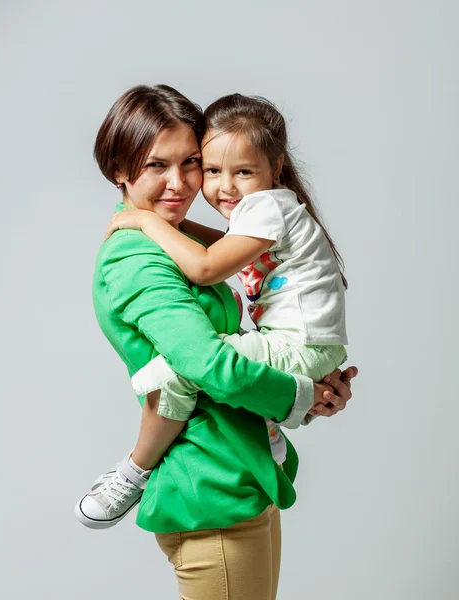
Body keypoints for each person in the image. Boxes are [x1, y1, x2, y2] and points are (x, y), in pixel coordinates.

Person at [75, 84, 357, 600]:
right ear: (119, 169)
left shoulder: (178, 235)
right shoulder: (137, 258)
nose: (180, 184)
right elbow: (207, 363)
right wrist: (301, 395)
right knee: (180, 371)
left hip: (241, 475)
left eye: (191, 163)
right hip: (210, 488)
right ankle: (131, 472)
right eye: (157, 165)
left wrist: (308, 391)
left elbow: (244, 346)